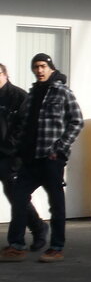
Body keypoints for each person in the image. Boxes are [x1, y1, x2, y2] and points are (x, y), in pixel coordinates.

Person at [0, 54, 83, 263]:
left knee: (56, 204)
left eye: (43, 66)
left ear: (51, 68)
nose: (39, 70)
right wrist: (20, 149)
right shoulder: (32, 94)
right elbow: (24, 124)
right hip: (30, 158)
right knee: (18, 199)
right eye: (36, 67)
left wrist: (60, 147)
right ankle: (16, 245)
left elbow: (76, 121)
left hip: (51, 158)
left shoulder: (62, 92)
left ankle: (56, 247)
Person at [0, 63, 46, 249]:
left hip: (12, 155)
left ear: (4, 74)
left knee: (15, 194)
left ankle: (38, 228)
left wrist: (10, 149)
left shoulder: (18, 97)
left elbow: (24, 129)